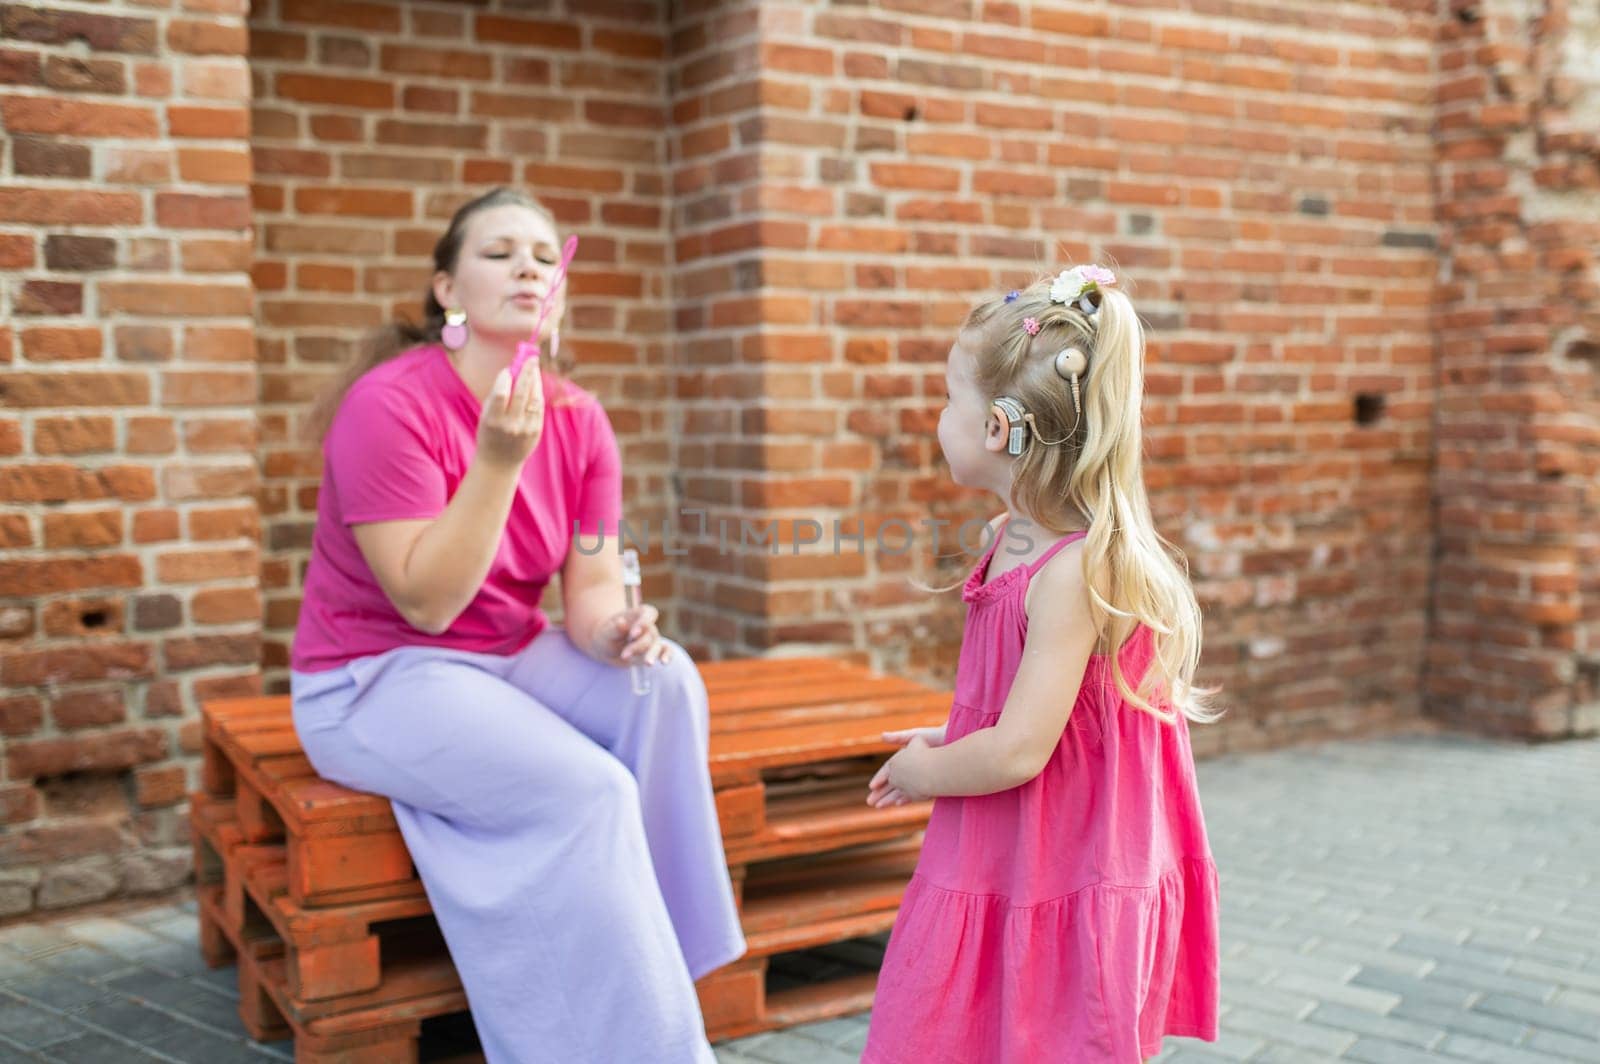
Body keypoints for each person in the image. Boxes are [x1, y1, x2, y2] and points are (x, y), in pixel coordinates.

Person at [288, 187, 745, 1063]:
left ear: (559, 291)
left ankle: (654, 963)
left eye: (544, 254)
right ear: (448, 292)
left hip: (504, 655)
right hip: (375, 677)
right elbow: (427, 602)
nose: (528, 265)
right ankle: (637, 1041)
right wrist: (498, 461)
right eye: (498, 253)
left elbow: (592, 590)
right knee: (591, 791)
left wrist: (619, 631)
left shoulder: (581, 419)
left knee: (664, 678)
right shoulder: (388, 407)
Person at [862, 267, 1221, 1063]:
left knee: (1045, 1030)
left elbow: (1023, 749)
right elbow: (1022, 712)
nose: (938, 417)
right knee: (971, 1023)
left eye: (949, 398)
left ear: (995, 428)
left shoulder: (1073, 570)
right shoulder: (1006, 539)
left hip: (1065, 853)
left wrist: (926, 774)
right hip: (1011, 839)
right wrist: (952, 734)